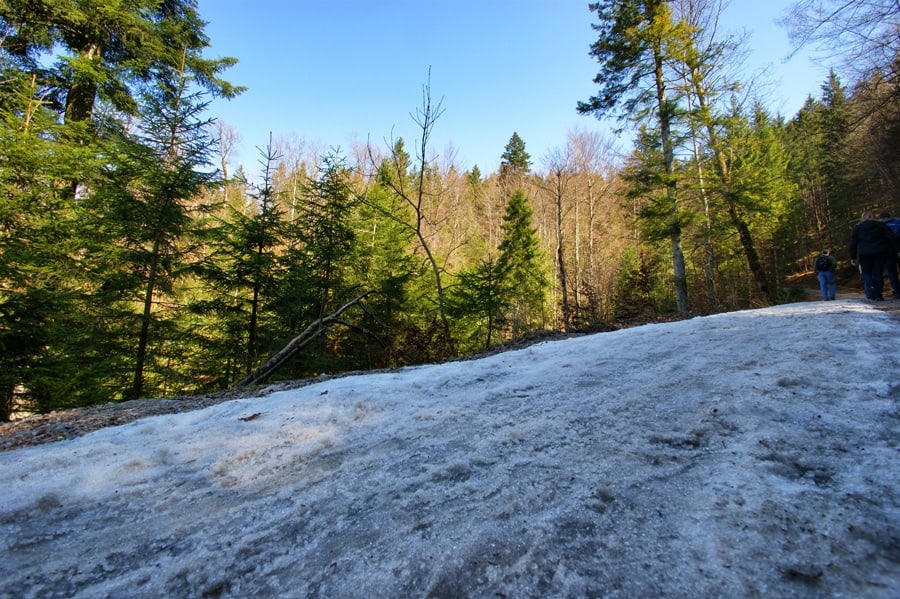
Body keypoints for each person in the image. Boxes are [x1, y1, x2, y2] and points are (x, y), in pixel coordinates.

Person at [849, 210, 894, 301]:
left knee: (866, 273)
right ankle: (879, 293)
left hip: (865, 253)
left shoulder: (858, 228)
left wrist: (853, 257)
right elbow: (890, 237)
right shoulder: (881, 225)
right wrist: (891, 250)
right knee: (878, 272)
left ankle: (871, 287)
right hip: (879, 252)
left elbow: (853, 243)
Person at [880, 211, 900, 299]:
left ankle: (897, 291)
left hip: (887, 251)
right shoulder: (897, 223)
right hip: (898, 249)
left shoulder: (880, 226)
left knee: (892, 272)